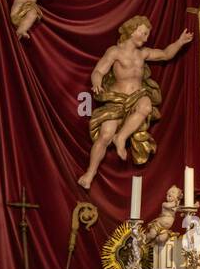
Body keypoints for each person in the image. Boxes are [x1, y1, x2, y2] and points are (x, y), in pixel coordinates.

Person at [78, 16, 193, 190]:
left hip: (138, 95)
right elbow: (99, 71)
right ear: (133, 30)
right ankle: (90, 173)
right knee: (106, 134)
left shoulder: (143, 53)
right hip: (116, 99)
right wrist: (96, 82)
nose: (146, 38)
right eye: (144, 33)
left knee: (146, 106)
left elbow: (165, 54)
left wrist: (180, 42)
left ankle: (121, 138)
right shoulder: (114, 52)